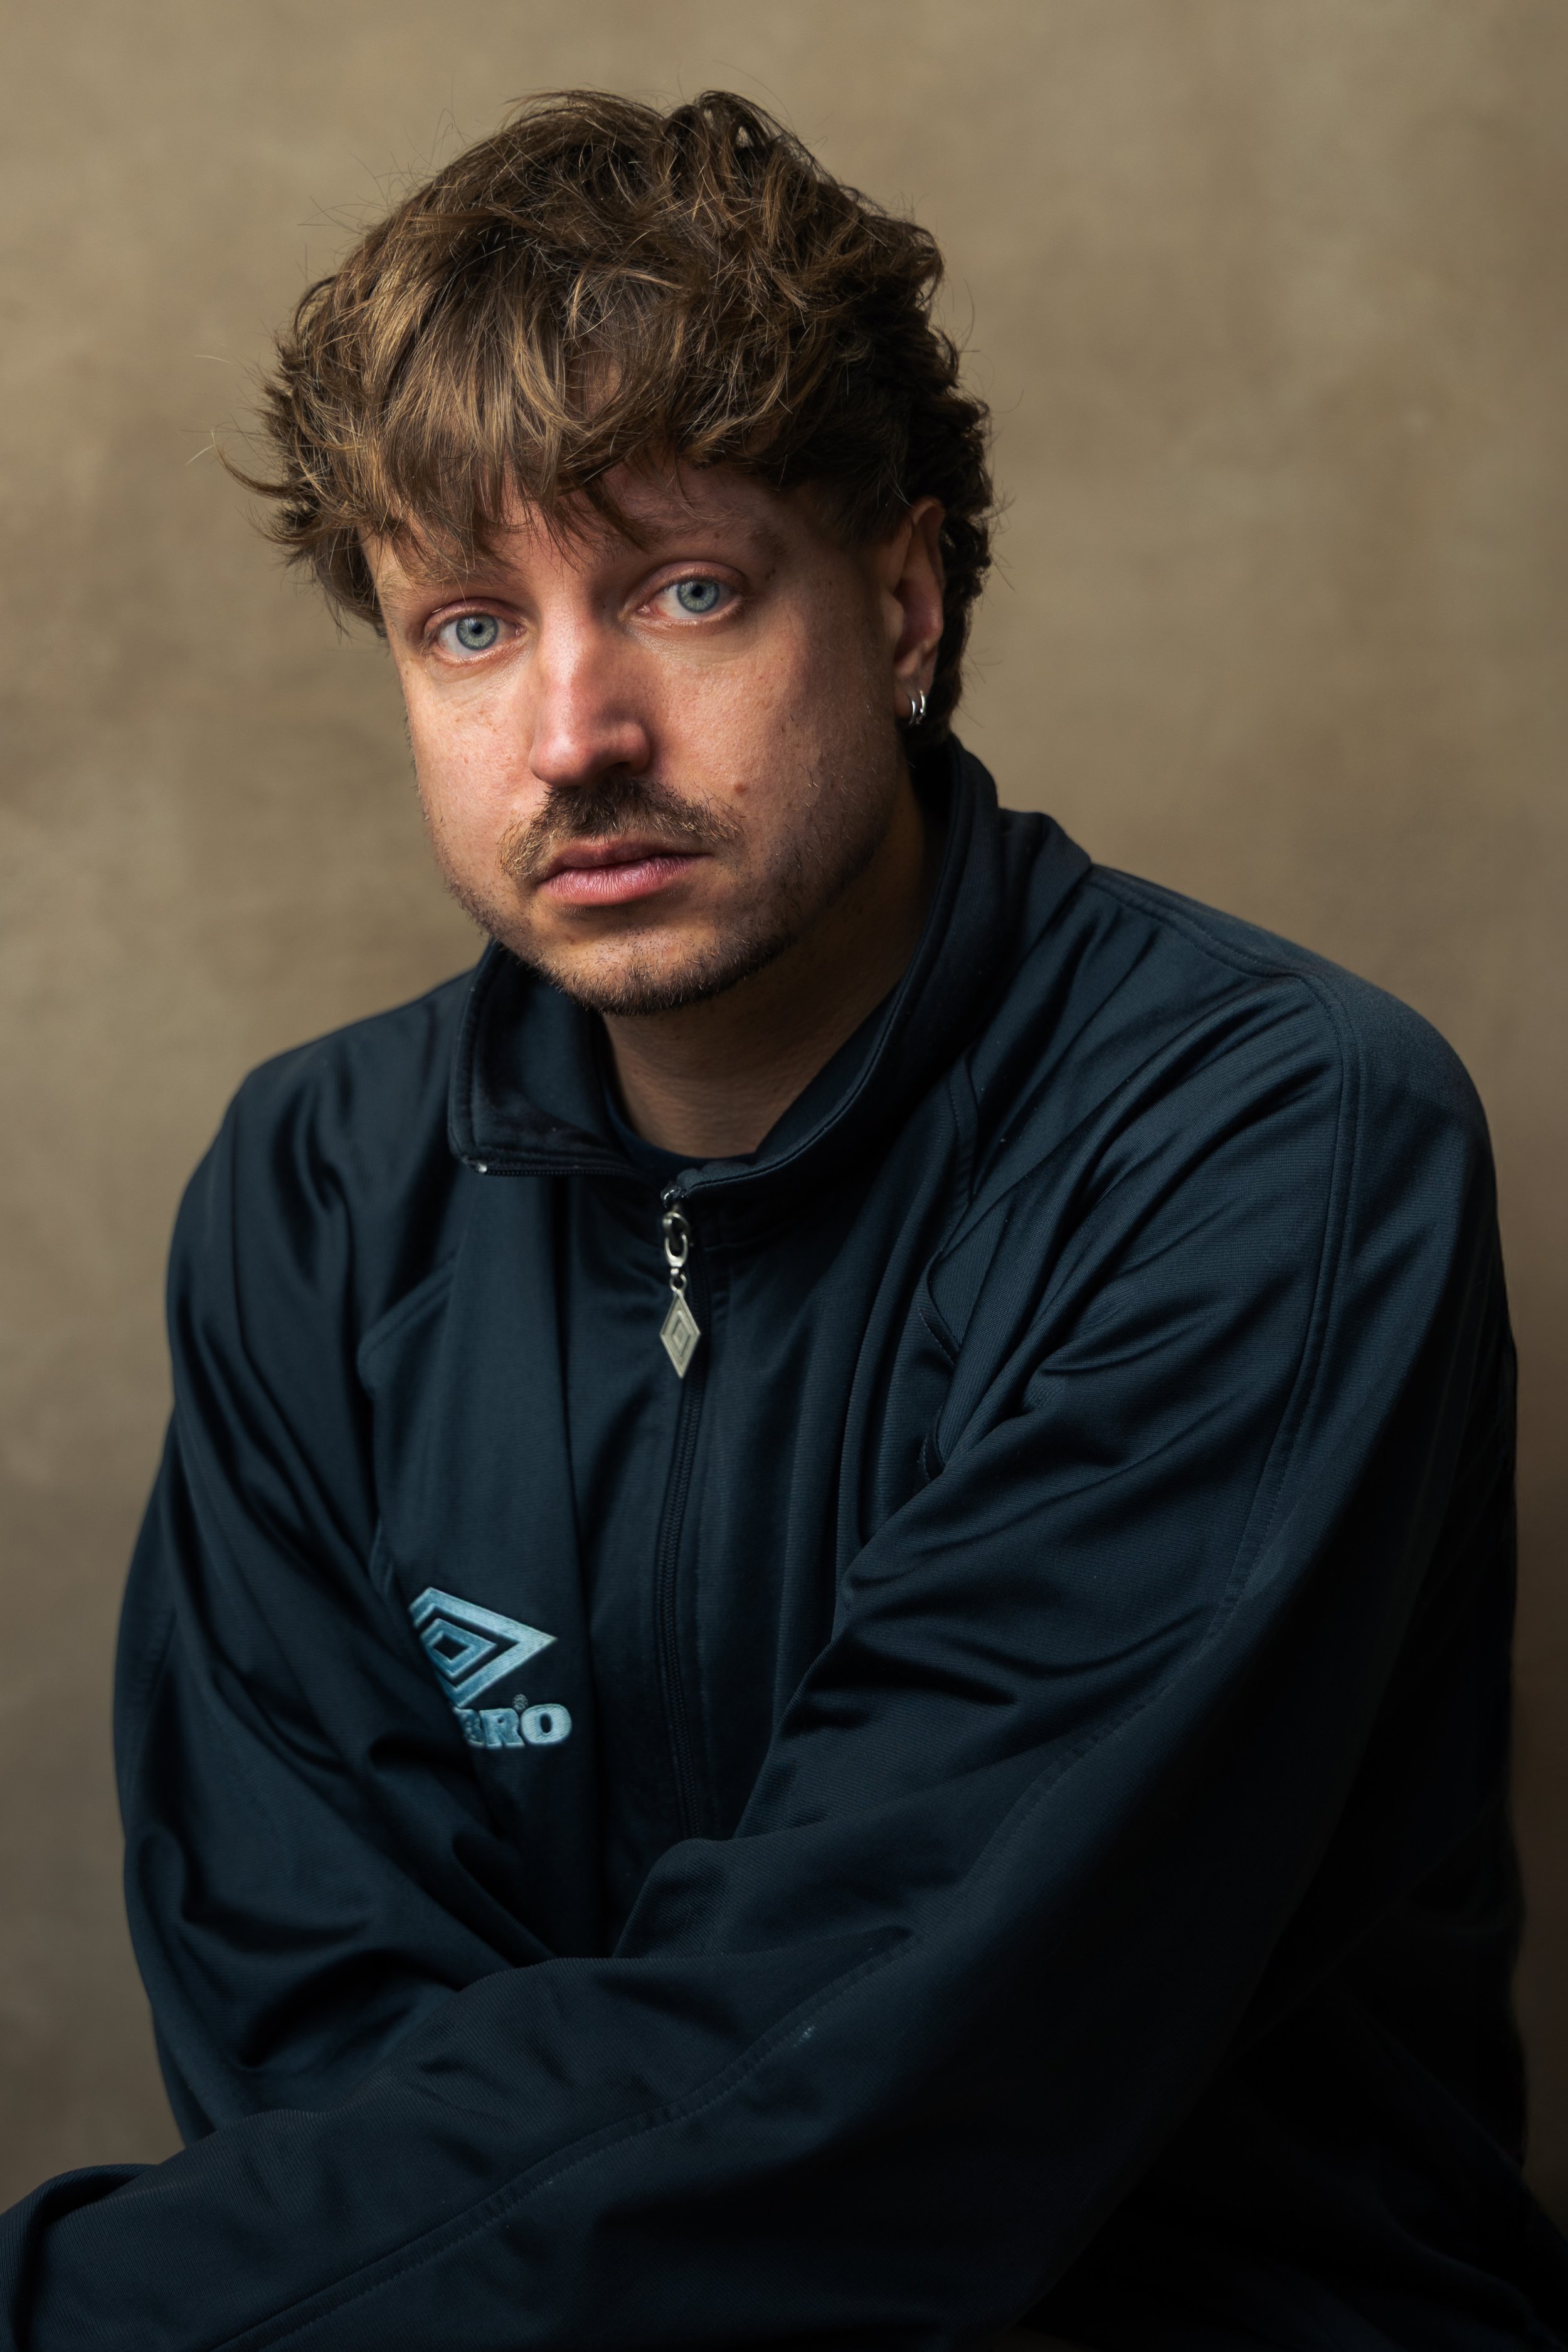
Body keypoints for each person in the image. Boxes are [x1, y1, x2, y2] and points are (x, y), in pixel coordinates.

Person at [0, 86, 1560, 2352]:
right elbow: (314, 2034)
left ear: (904, 603)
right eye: (467, 625)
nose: (574, 733)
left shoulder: (1268, 1141)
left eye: (686, 590)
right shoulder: (315, 1191)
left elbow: (866, 2070)